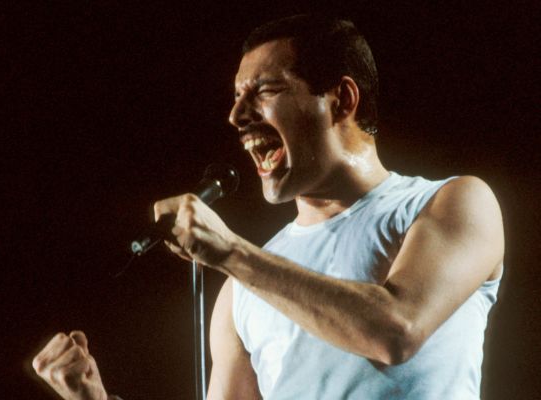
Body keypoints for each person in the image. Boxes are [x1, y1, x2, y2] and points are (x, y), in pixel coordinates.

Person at [32, 15, 504, 399]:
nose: (237, 116)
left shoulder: (451, 201)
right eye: (237, 97)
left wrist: (231, 253)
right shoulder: (240, 295)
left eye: (264, 91)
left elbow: (397, 331)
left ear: (341, 100)